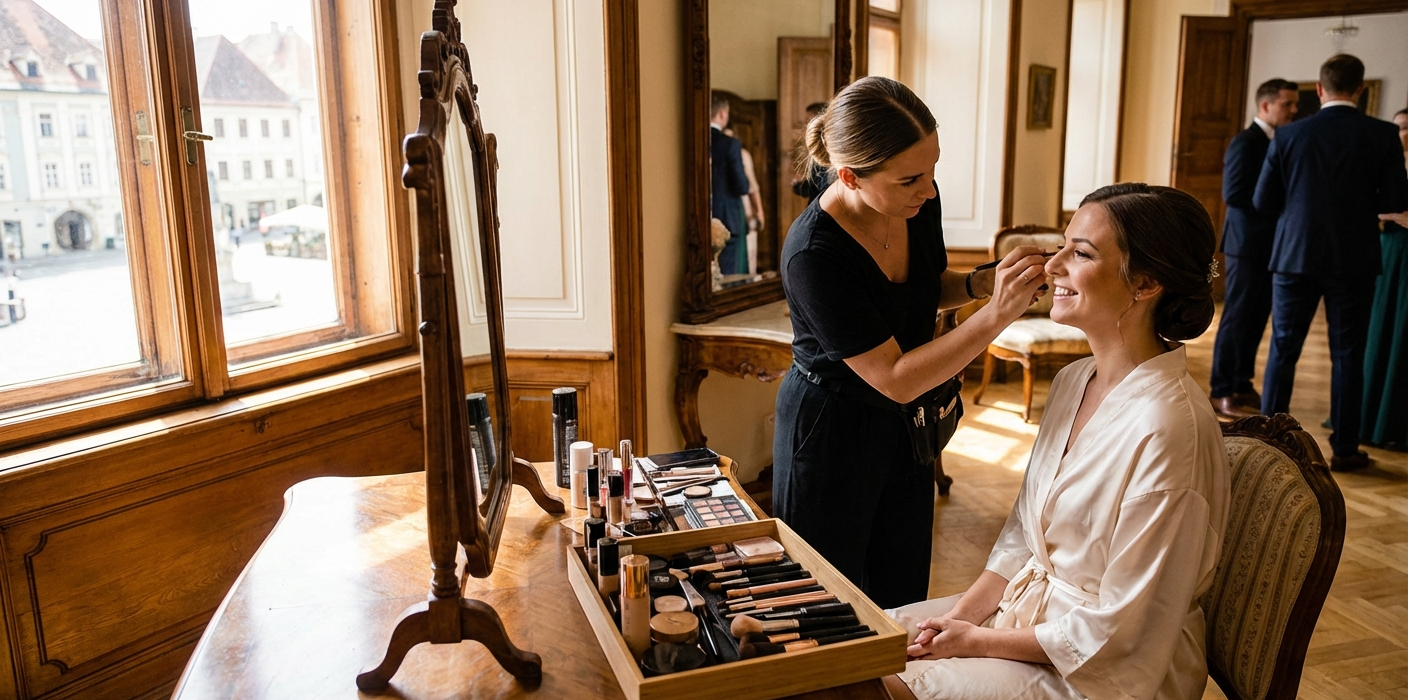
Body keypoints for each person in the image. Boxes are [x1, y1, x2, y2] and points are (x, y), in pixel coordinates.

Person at [886, 183, 1230, 700]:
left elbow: (1124, 628)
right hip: (1031, 618)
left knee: (880, 686)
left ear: (1145, 283)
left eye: (1081, 253)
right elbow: (1022, 535)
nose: (1052, 266)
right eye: (1063, 245)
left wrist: (977, 643)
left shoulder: (1167, 428)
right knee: (859, 642)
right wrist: (958, 621)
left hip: (1110, 670)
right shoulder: (1074, 381)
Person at [773, 76, 1050, 609]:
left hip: (908, 429)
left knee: (901, 590)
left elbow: (923, 290)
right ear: (850, 176)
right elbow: (895, 377)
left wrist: (977, 284)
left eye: (933, 170)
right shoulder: (814, 255)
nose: (928, 189)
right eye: (911, 180)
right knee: (832, 601)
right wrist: (996, 315)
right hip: (832, 435)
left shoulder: (917, 203)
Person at [1253, 54, 1408, 471]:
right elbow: (1396, 202)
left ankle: (1268, 441)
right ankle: (1344, 449)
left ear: (1319, 90)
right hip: (1353, 257)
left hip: (1294, 255)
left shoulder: (1288, 136)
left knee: (1283, 350)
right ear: (1359, 89)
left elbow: (1262, 201)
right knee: (1348, 355)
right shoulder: (1383, 134)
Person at [1208, 78, 1298, 420]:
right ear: (1265, 106)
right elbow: (1234, 195)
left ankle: (1241, 382)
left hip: (1271, 243)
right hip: (1246, 243)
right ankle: (1220, 390)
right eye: (1287, 104)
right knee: (1238, 316)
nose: (1293, 110)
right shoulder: (1246, 142)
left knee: (1258, 315)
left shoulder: (1278, 140)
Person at [1361, 108, 1408, 450]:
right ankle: (1367, 418)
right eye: (1398, 128)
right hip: (1387, 248)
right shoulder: (1389, 164)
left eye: (1405, 128)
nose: (1400, 134)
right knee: (1379, 328)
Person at [710, 94, 750, 275]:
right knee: (730, 273)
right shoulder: (730, 144)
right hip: (728, 216)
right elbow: (741, 186)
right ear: (722, 114)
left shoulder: (695, 139)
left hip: (703, 213)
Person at [791, 101, 832, 200]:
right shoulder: (817, 146)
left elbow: (821, 187)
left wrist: (798, 186)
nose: (805, 125)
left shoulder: (824, 149)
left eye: (808, 120)